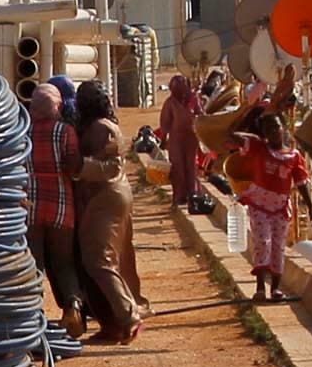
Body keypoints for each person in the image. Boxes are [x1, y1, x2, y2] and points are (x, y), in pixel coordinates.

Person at [69, 79, 145, 343]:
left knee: (99, 260)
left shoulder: (104, 128)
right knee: (104, 260)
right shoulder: (95, 126)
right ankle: (112, 324)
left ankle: (128, 315)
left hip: (107, 196)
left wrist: (80, 166)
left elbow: (111, 167)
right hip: (103, 196)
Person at [22, 82, 86, 337]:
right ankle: (73, 308)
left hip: (31, 207)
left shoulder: (24, 132)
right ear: (56, 105)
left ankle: (33, 316)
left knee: (34, 264)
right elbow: (73, 167)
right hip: (61, 204)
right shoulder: (66, 131)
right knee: (63, 263)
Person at [231, 106, 312, 304]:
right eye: (268, 130)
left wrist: (311, 208)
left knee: (278, 246)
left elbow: (301, 184)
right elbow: (233, 135)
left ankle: (275, 288)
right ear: (264, 134)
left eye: (276, 128)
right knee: (262, 242)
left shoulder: (293, 157)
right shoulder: (259, 148)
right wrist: (247, 114)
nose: (274, 133)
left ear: (283, 128)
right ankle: (260, 287)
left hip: (280, 207)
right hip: (259, 204)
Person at [157, 71, 212, 208]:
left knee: (191, 166)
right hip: (176, 139)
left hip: (191, 138)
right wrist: (163, 140)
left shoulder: (193, 99)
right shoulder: (170, 103)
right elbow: (165, 123)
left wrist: (200, 123)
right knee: (178, 167)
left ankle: (192, 194)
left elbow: (201, 115)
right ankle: (179, 196)